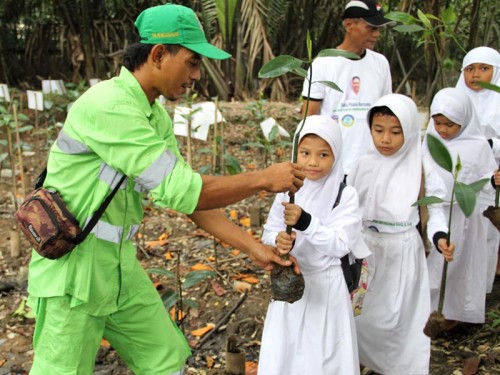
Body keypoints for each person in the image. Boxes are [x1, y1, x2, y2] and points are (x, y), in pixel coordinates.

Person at [26, 4, 305, 375]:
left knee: (164, 358)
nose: (195, 76)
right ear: (158, 54)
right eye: (191, 63)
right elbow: (189, 191)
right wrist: (262, 179)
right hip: (74, 273)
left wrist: (256, 249)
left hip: (118, 265)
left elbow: (189, 201)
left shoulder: (152, 114)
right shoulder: (110, 106)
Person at [348, 94, 454, 374]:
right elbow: (347, 207)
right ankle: (356, 360)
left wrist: (440, 236)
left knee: (397, 317)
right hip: (366, 249)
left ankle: (398, 366)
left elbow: (436, 207)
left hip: (401, 251)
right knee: (361, 314)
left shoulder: (421, 167)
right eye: (378, 130)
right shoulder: (362, 164)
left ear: (409, 131)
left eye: (396, 132)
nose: (385, 139)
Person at [257, 115, 371, 375]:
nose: (312, 162)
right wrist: (278, 240)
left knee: (324, 356)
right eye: (305, 153)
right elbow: (269, 231)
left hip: (327, 287)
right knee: (286, 352)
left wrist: (306, 222)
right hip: (290, 286)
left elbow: (341, 243)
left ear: (337, 155)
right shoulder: (288, 189)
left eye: (323, 155)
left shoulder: (345, 195)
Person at [423, 87, 497, 328]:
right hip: (437, 215)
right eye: (438, 122)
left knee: (462, 267)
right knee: (436, 265)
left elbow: (485, 183)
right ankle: (429, 310)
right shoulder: (430, 140)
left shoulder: (478, 146)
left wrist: (493, 183)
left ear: (464, 121)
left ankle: (454, 315)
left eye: (450, 124)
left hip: (465, 216)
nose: (442, 129)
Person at [301, 0, 393, 175]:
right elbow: (308, 116)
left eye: (379, 29)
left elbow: (385, 113)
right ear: (349, 25)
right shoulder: (323, 64)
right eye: (371, 28)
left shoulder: (380, 63)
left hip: (371, 163)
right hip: (334, 163)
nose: (376, 34)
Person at [455, 46, 500, 291]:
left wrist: (490, 145)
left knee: (486, 234)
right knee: (459, 233)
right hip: (459, 176)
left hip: (491, 179)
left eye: (484, 68)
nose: (476, 74)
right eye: (470, 69)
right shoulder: (455, 99)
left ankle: (479, 292)